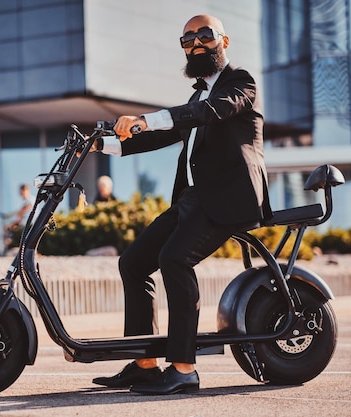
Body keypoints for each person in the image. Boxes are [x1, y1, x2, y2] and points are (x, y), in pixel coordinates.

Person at [91, 14, 271, 395]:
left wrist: (144, 118)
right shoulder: (196, 96)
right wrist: (103, 143)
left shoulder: (241, 83)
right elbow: (167, 133)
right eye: (187, 38)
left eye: (205, 35)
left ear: (224, 41)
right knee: (134, 263)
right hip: (194, 199)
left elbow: (209, 113)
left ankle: (184, 368)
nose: (196, 43)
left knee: (174, 259)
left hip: (227, 198)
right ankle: (144, 364)